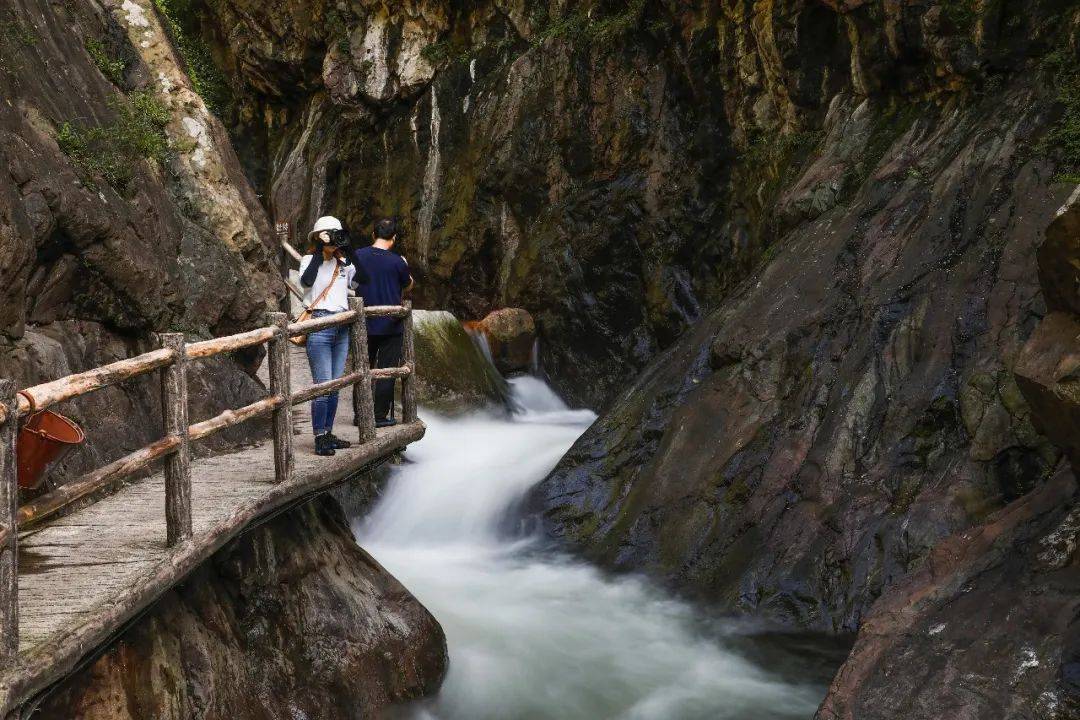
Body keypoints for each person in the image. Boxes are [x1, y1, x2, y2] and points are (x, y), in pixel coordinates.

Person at [299, 215, 365, 456]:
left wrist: (350, 250)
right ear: (317, 237)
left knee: (335, 386)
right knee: (323, 385)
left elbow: (362, 280)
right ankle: (319, 437)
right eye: (328, 235)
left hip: (342, 327)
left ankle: (328, 432)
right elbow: (306, 282)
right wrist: (320, 250)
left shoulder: (345, 263)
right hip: (319, 325)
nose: (333, 239)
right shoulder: (309, 259)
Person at [352, 218, 414, 427]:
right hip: (391, 324)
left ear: (373, 234)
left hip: (363, 323)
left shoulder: (358, 256)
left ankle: (360, 415)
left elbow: (352, 282)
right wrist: (405, 266)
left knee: (361, 369)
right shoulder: (397, 261)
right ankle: (378, 416)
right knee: (387, 371)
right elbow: (407, 285)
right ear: (394, 238)